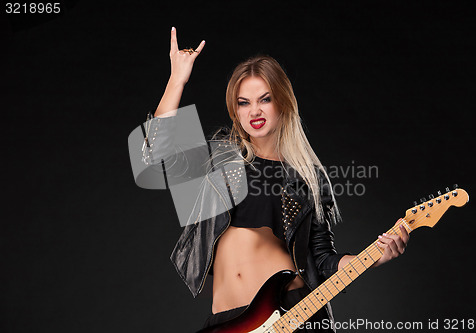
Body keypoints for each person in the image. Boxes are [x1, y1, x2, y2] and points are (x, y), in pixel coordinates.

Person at [131, 27, 410, 332]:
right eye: (244, 102)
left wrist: (373, 258)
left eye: (265, 99)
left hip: (291, 313)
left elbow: (321, 261)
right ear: (235, 111)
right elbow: (155, 155)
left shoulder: (308, 177)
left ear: (282, 102)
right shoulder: (218, 157)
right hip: (227, 321)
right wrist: (177, 79)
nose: (255, 111)